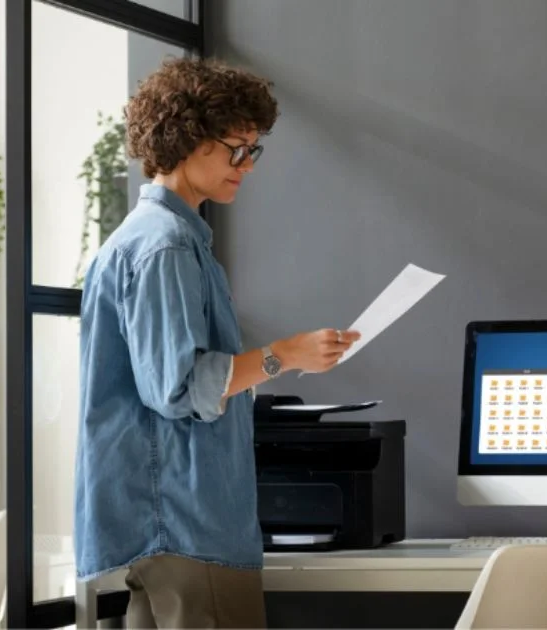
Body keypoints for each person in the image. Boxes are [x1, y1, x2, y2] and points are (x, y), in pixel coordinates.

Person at [75, 57, 360, 628]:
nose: (246, 166)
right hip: (184, 522)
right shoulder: (166, 248)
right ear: (187, 138)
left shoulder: (167, 241)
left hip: (168, 525)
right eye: (236, 148)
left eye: (253, 151)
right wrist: (286, 354)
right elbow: (178, 387)